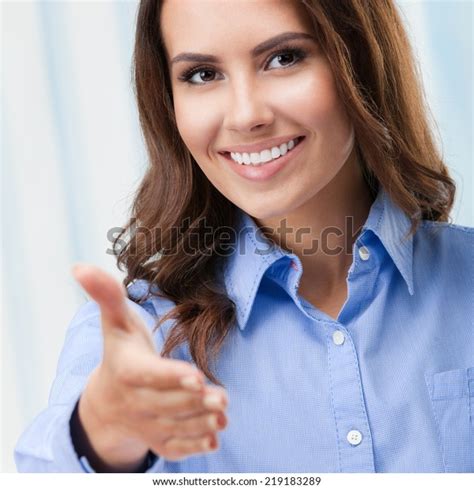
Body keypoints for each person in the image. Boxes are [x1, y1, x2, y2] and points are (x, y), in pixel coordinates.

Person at [15, 0, 473, 473]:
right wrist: (104, 433)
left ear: (360, 59)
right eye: (202, 74)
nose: (245, 115)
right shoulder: (138, 337)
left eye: (284, 58)